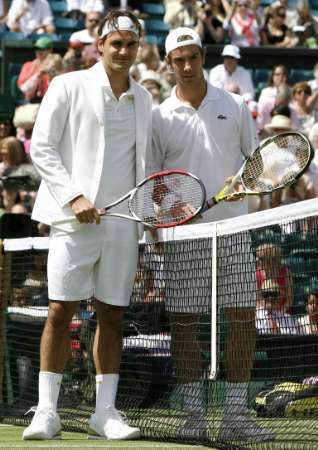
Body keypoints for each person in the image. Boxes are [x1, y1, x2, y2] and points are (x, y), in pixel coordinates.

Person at [22, 9, 152, 441]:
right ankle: (46, 412)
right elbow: (41, 147)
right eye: (116, 43)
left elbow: (142, 163)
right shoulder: (67, 84)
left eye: (130, 44)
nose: (123, 51)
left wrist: (148, 216)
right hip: (73, 219)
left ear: (138, 48)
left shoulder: (145, 98)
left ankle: (105, 413)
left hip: (123, 223)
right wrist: (73, 195)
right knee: (61, 310)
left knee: (112, 314)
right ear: (100, 45)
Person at [150, 26, 274, 443]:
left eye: (193, 57)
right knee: (183, 324)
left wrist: (243, 182)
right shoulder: (159, 116)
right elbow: (155, 183)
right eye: (178, 60)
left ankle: (237, 414)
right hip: (184, 237)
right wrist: (169, 213)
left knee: (242, 319)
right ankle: (193, 418)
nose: (187, 66)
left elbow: (256, 165)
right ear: (168, 63)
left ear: (204, 57)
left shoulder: (235, 104)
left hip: (235, 227)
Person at [17, 37, 62, 103]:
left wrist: (52, 70)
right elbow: (23, 88)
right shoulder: (28, 65)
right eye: (36, 49)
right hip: (31, 101)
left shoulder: (56, 63)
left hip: (51, 100)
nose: (38, 51)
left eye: (42, 49)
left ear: (50, 50)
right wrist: (37, 71)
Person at [256, 243, 293, 313]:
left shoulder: (286, 272)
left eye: (261, 258)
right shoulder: (257, 274)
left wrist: (279, 314)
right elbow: (258, 300)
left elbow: (289, 300)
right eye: (258, 257)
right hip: (264, 314)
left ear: (271, 259)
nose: (258, 261)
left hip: (284, 315)